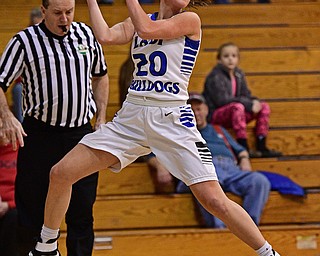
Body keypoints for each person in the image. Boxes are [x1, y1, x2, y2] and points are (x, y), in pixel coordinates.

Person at [3, 0, 279, 255]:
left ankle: (268, 252)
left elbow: (147, 30)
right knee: (61, 173)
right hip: (132, 115)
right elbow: (106, 36)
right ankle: (47, 246)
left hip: (171, 117)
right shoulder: (140, 19)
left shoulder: (190, 20)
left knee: (214, 201)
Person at [0, 0, 109, 255]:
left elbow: (101, 74)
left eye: (69, 12)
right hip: (40, 136)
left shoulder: (85, 34)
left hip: (81, 136)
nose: (64, 19)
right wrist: (6, 116)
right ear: (44, 10)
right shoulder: (24, 41)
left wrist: (102, 116)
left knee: (81, 215)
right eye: (58, 13)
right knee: (31, 216)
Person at [175, 92, 270, 228]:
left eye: (198, 109)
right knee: (207, 184)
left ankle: (248, 228)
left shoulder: (219, 129)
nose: (196, 114)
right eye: (190, 110)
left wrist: (244, 158)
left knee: (259, 181)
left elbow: (240, 150)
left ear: (206, 110)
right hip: (204, 170)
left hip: (231, 170)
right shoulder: (181, 133)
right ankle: (221, 230)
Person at [203, 42, 282, 158]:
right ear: (219, 59)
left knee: (263, 106)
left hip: (235, 114)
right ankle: (243, 145)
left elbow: (246, 95)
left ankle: (261, 145)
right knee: (237, 107)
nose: (230, 59)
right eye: (226, 56)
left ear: (238, 59)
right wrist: (249, 105)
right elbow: (222, 100)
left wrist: (254, 102)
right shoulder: (215, 76)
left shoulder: (239, 74)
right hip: (216, 115)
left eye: (234, 56)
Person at [11, 7, 44, 123]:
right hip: (25, 84)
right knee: (18, 89)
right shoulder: (23, 41)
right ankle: (23, 125)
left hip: (44, 84)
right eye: (35, 25)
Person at [0, 139, 19, 256]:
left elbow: (30, 187)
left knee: (15, 217)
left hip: (13, 207)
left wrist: (9, 205)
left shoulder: (24, 148)